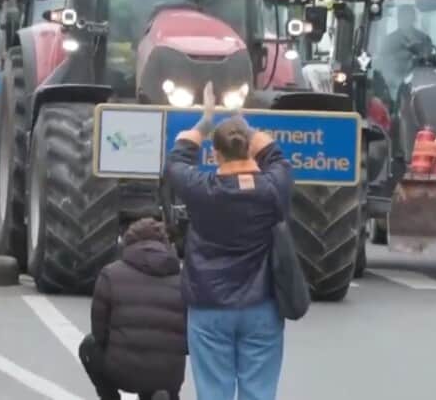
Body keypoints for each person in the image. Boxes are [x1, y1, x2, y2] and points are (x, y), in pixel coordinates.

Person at [164, 82, 292, 400]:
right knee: (259, 391)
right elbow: (275, 156)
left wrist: (205, 121)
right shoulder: (273, 188)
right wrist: (244, 123)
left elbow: (177, 160)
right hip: (262, 304)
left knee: (213, 391)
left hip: (209, 305)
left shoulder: (201, 190)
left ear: (215, 154)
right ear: (249, 149)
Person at [78, 218, 187, 400]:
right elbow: (188, 339)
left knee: (89, 346)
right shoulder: (182, 279)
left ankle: (110, 397)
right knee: (168, 361)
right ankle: (161, 392)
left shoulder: (110, 274)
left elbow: (99, 334)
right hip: (169, 375)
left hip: (123, 373)